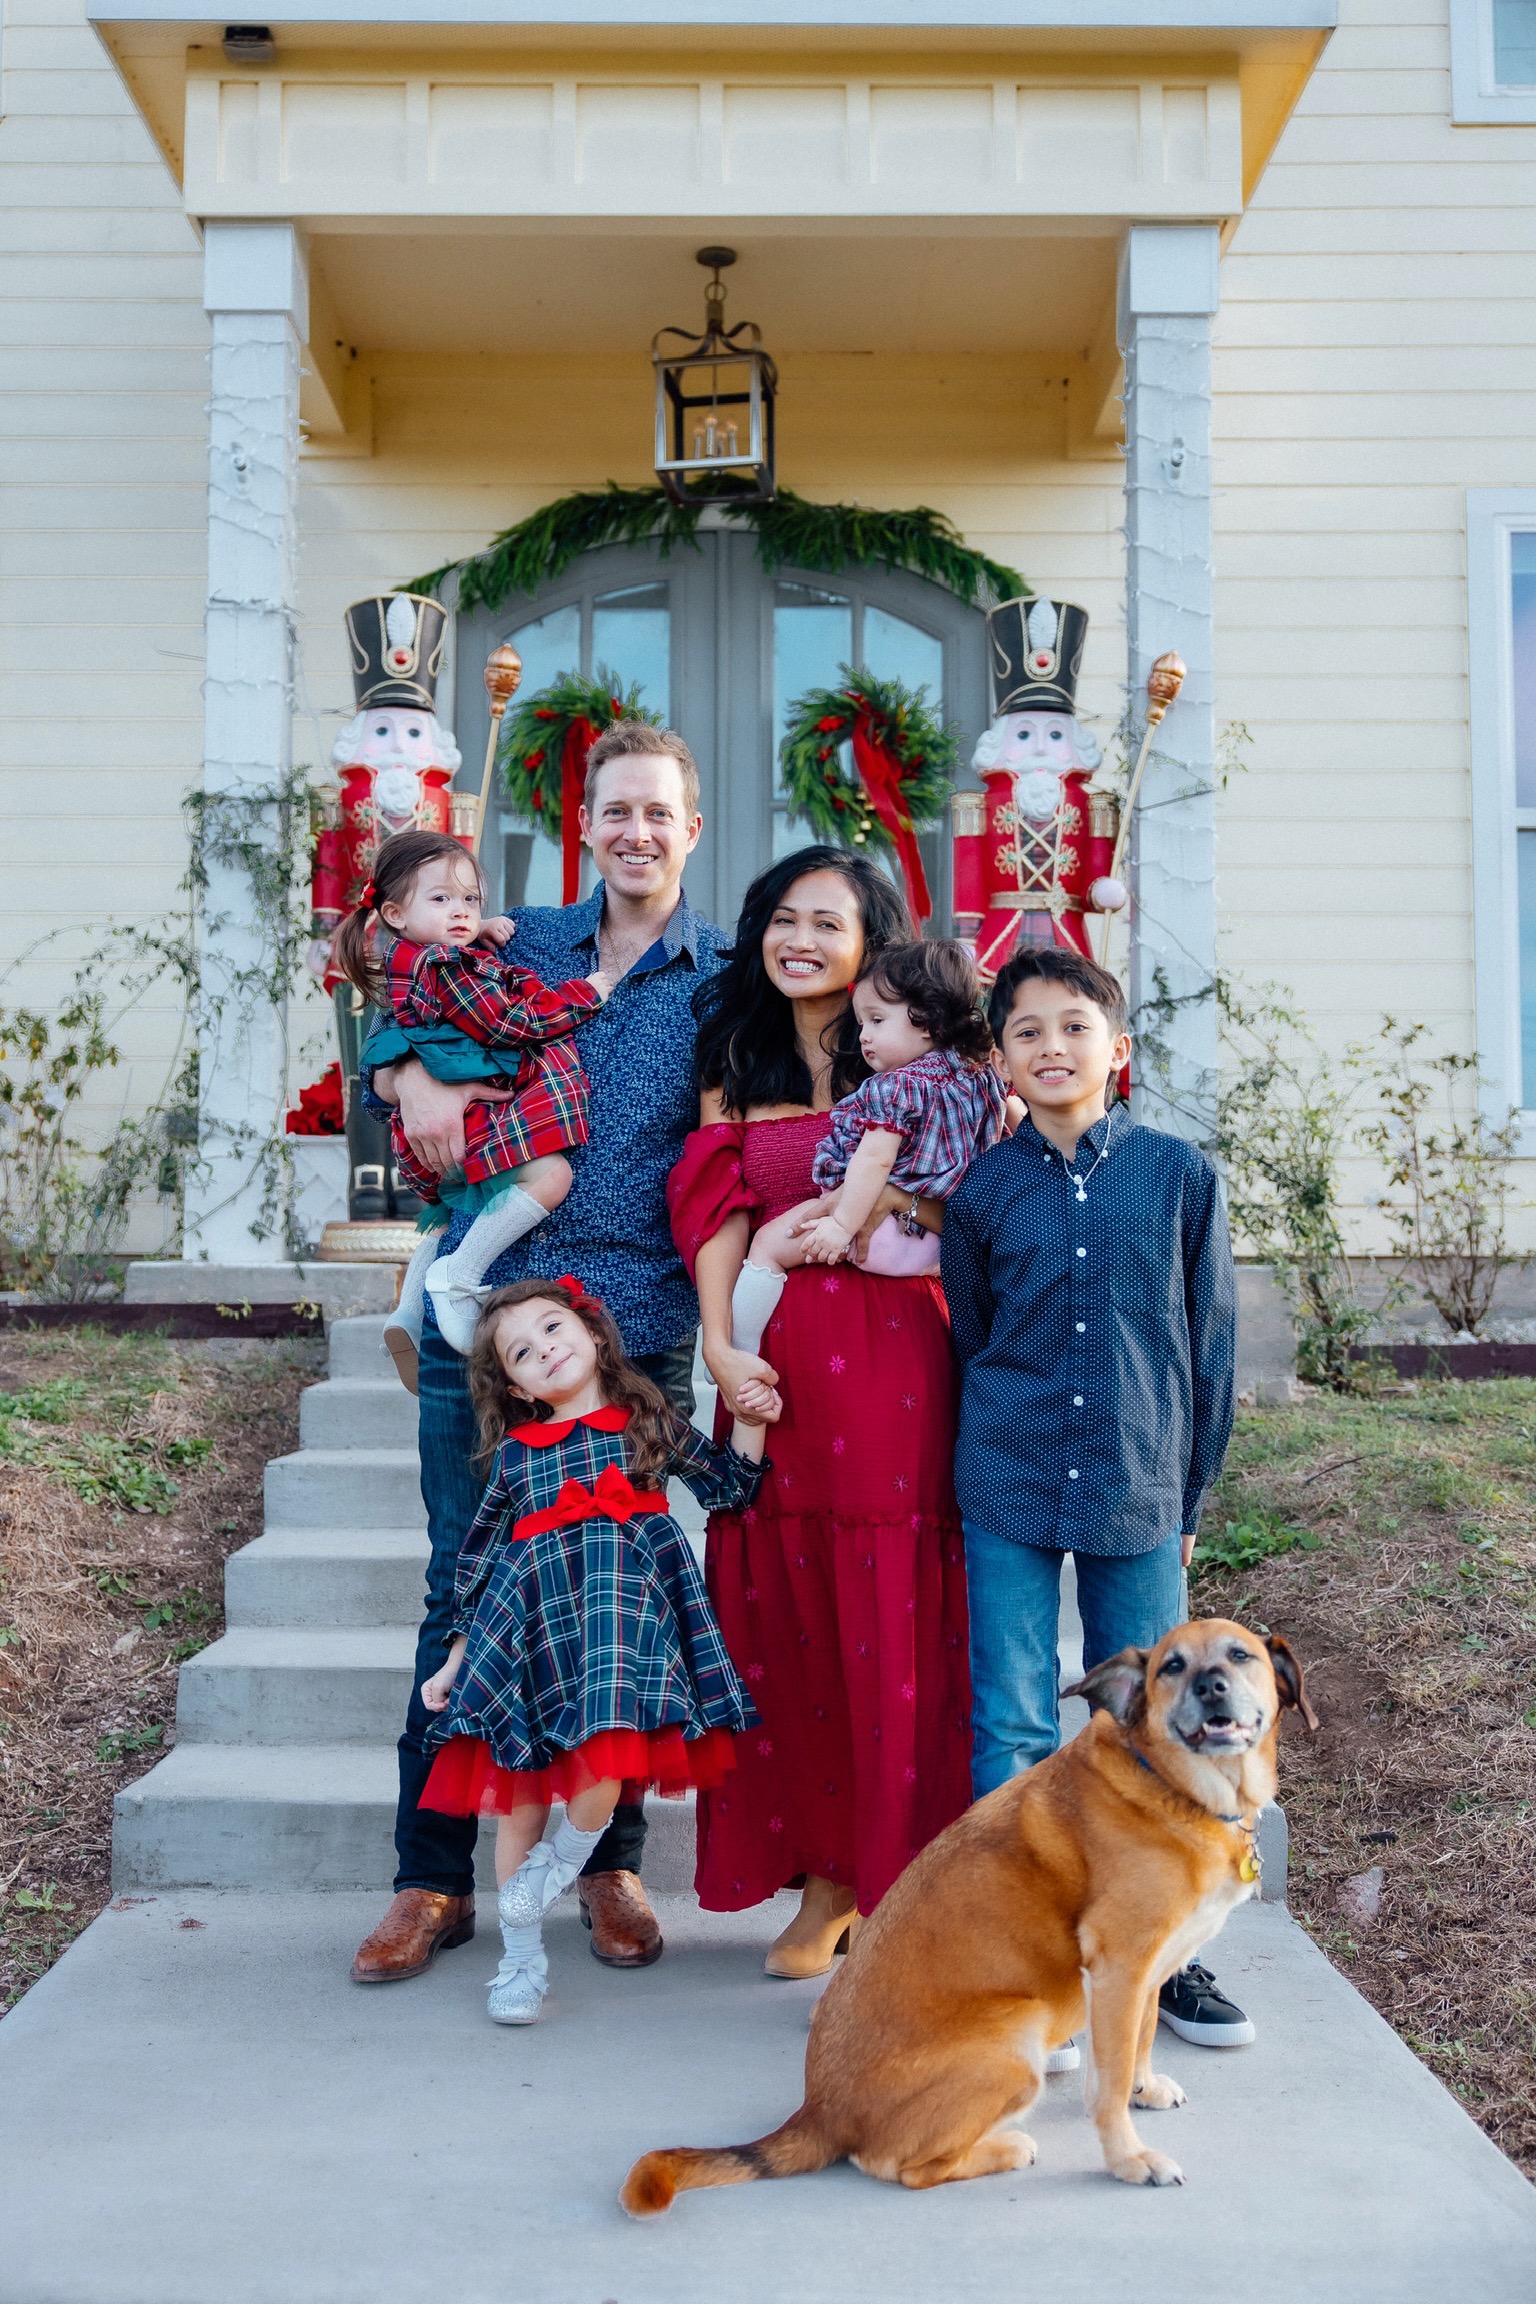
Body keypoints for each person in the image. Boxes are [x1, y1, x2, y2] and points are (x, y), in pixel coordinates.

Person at [350, 722, 728, 1986]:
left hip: (637, 1330)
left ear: (690, 827)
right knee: (461, 1588)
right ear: (587, 825)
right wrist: (403, 1083)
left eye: (657, 815)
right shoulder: (512, 939)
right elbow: (394, 1000)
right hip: (493, 1315)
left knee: (613, 1611)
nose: (635, 833)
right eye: (614, 812)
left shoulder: (720, 980)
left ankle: (608, 1864)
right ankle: (428, 1878)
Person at [939, 943, 1254, 2052]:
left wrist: (1191, 1488)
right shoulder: (981, 1192)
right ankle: (1028, 1948)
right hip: (1010, 1476)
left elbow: (1212, 1349)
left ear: (1117, 1049)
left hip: (1138, 1476)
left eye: (1074, 1027)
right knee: (1013, 1717)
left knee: (1165, 1720)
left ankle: (1171, 1955)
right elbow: (975, 1339)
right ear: (1001, 1062)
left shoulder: (1179, 1177)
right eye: (1026, 1032)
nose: (1052, 1047)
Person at [668, 848, 974, 1977]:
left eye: (828, 924)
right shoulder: (734, 1051)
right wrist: (718, 1344)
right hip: (771, 1356)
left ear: (871, 944)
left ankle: (905, 1876)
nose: (800, 939)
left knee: (889, 1607)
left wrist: (862, 1205)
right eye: (783, 918)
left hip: (896, 1351)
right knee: (780, 1611)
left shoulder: (917, 1056)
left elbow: (964, 1189)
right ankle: (827, 1879)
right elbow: (716, 1211)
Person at [418, 1275, 773, 2025]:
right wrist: (454, 1659)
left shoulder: (646, 1419)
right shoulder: (516, 1457)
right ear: (513, 1387)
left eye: (553, 1329)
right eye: (522, 1351)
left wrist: (751, 1417)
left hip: (621, 1630)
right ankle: (520, 1963)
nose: (544, 1349)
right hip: (532, 1636)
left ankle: (550, 1877)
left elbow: (729, 1486)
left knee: (606, 1765)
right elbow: (475, 1566)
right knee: (517, 1800)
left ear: (592, 1333)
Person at [331, 828, 610, 1385]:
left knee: (449, 1216)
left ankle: (409, 1313)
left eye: (470, 899)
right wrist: (587, 992)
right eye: (442, 900)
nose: (461, 911)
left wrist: (472, 930)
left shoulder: (417, 959)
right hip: (476, 1116)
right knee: (551, 1175)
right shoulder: (448, 968)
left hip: (451, 1125)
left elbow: (436, 964)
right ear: (394, 912)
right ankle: (460, 1277)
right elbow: (509, 1021)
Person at [728, 938, 1013, 1359]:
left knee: (768, 1245)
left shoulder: (896, 1086)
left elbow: (875, 1158)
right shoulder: (981, 1075)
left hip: (879, 1232)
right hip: (941, 1246)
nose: (864, 1036)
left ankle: (739, 1351)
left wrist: (842, 1224)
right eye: (862, 1023)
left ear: (929, 1020)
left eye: (877, 1020)